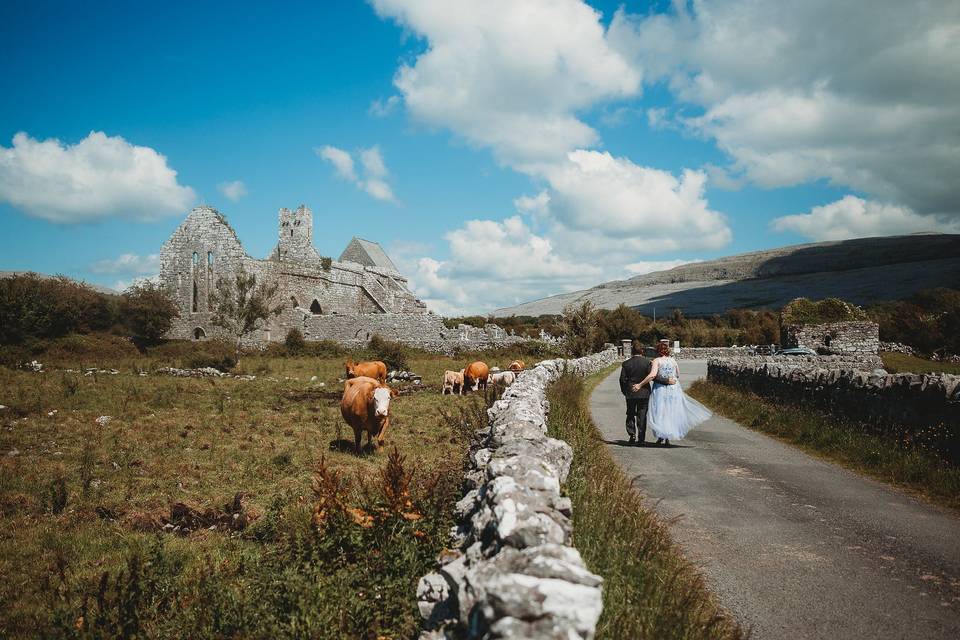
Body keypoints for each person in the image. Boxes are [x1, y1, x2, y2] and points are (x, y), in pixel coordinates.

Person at [633, 342, 711, 445]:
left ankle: (662, 436)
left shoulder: (656, 361)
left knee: (660, 411)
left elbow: (652, 375)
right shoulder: (673, 361)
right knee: (670, 411)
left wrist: (640, 384)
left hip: (661, 389)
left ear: (658, 351)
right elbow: (677, 374)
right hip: (673, 389)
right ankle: (667, 438)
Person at [619, 340, 653, 445]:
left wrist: (625, 391)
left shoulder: (626, 364)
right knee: (642, 415)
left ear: (632, 351)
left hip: (631, 392)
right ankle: (641, 438)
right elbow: (650, 377)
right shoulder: (647, 363)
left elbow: (622, 380)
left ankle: (632, 434)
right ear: (642, 351)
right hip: (644, 392)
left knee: (630, 413)